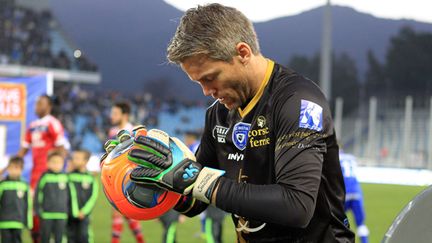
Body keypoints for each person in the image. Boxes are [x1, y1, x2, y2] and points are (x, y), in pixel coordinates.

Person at [106, 3, 354, 242]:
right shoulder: (219, 115)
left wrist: (195, 179)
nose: (206, 92)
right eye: (198, 83)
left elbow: (296, 205)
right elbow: (195, 201)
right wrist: (158, 181)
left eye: (210, 78)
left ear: (243, 53)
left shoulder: (298, 102)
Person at [16, 95, 66, 243]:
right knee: (33, 212)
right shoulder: (32, 126)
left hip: (49, 177)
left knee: (50, 212)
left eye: (40, 103)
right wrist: (6, 167)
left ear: (49, 106)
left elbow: (62, 149)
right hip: (34, 176)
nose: (37, 106)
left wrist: (58, 171)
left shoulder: (53, 123)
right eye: (36, 103)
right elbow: (23, 151)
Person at [109, 102, 145, 243]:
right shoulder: (112, 132)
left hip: (129, 177)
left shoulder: (134, 131)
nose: (112, 116)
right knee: (127, 214)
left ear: (125, 115)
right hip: (115, 176)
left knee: (119, 211)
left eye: (115, 113)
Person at [34, 151, 68, 243]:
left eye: (59, 162)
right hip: (46, 215)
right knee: (45, 238)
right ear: (48, 163)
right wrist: (38, 210)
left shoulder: (65, 177)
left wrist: (69, 210)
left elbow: (70, 196)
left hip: (61, 214)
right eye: (53, 162)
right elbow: (37, 194)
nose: (56, 165)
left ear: (63, 163)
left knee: (59, 238)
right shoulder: (44, 177)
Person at [67, 149, 98, 243]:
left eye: (77, 158)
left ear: (85, 161)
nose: (74, 160)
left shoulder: (91, 178)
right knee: (70, 237)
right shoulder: (69, 176)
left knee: (84, 236)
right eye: (74, 158)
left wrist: (84, 211)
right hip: (70, 214)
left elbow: (93, 197)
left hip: (84, 216)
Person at [0, 156, 32, 243]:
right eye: (12, 168)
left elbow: (28, 204)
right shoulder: (2, 184)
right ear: (8, 169)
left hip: (18, 222)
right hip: (4, 222)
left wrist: (29, 222)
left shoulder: (24, 185)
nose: (14, 171)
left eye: (17, 168)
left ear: (21, 170)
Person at [339, 151, 369, 243]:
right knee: (361, 224)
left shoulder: (335, 157)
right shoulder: (351, 157)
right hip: (356, 192)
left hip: (344, 192)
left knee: (338, 221)